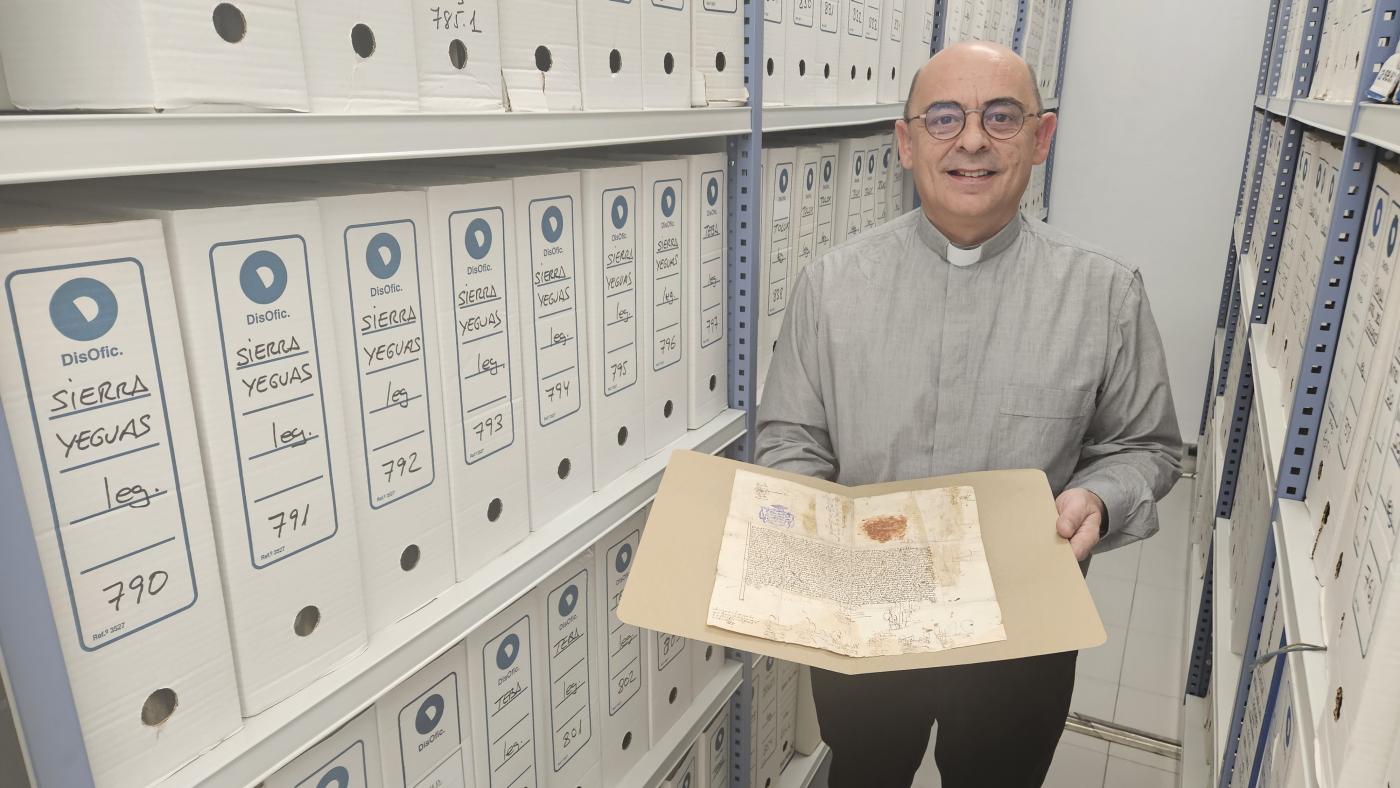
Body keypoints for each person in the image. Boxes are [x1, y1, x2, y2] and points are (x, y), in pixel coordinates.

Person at [753, 41, 1184, 787]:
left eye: (1002, 117)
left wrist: (1099, 497)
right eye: (945, 117)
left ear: (1041, 138)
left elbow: (1146, 446)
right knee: (863, 771)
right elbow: (791, 436)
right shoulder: (832, 285)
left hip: (1020, 630)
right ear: (906, 142)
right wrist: (808, 520)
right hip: (866, 624)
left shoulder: (1105, 293)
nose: (973, 140)